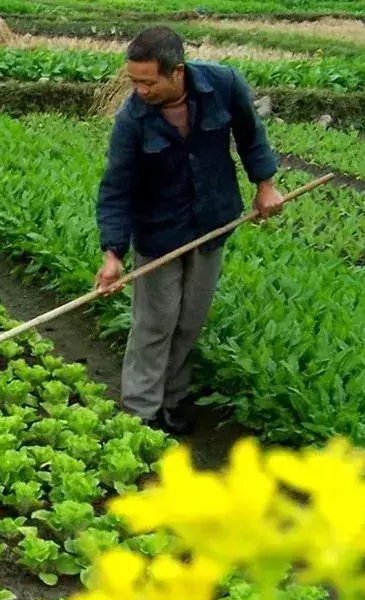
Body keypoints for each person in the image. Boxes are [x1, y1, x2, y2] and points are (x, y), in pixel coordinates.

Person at [93, 26, 284, 436]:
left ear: (176, 72)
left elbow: (251, 135)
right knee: (154, 323)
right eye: (134, 81)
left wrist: (265, 185)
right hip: (159, 233)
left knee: (189, 322)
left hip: (212, 222)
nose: (139, 89)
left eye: (148, 81)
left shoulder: (223, 84)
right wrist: (112, 255)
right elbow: (116, 188)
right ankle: (140, 411)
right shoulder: (133, 118)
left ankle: (174, 398)